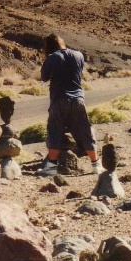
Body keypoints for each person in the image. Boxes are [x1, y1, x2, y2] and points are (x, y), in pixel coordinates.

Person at [36, 34, 100, 176]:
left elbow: (44, 77)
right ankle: (96, 165)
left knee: (55, 130)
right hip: (78, 98)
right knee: (85, 130)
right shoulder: (78, 55)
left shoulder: (52, 58)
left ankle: (51, 168)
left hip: (59, 99)